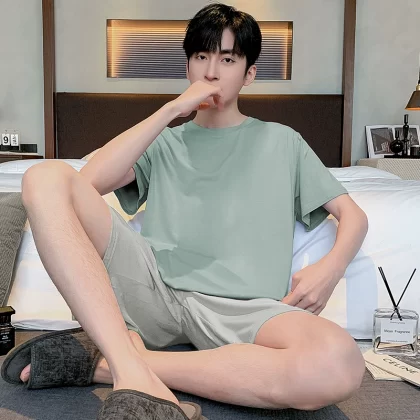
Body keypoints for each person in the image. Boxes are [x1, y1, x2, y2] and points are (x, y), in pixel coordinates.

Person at [2, 3, 368, 419]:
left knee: (338, 363)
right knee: (44, 176)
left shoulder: (283, 142)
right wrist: (171, 111)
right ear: (187, 66)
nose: (211, 72)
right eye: (201, 57)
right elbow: (85, 183)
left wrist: (330, 268)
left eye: (227, 59)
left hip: (245, 310)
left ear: (249, 74)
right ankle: (128, 362)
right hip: (154, 291)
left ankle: (117, 364)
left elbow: (354, 216)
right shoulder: (164, 140)